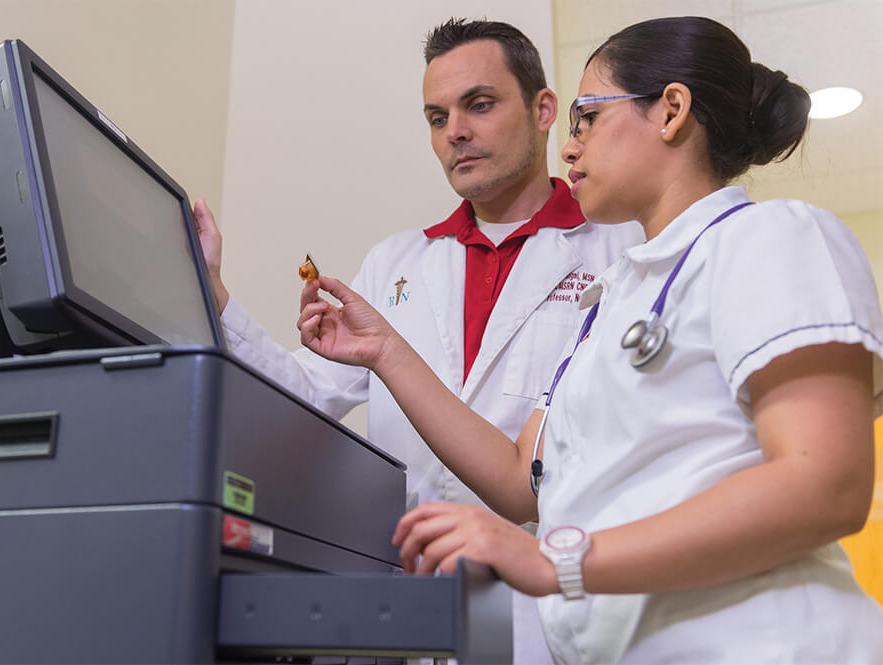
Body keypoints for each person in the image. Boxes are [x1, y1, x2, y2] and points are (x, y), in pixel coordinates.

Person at [296, 15, 883, 665]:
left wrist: (556, 558)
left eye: (587, 119)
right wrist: (385, 348)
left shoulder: (772, 238)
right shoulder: (608, 304)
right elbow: (522, 481)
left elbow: (823, 481)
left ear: (671, 112)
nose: (569, 148)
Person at [192, 18, 642, 664]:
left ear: (544, 110)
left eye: (479, 105)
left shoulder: (617, 246)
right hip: (413, 617)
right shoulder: (396, 264)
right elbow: (302, 398)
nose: (455, 131)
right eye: (437, 116)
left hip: (558, 617)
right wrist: (216, 295)